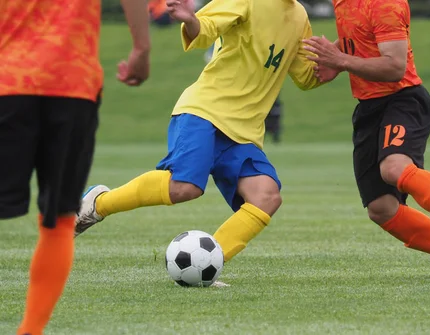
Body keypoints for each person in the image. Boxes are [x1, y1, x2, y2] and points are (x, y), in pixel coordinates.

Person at [74, 0, 322, 282]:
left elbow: (306, 76)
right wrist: (190, 20)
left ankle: (208, 266)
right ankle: (99, 203)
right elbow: (204, 28)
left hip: (244, 131)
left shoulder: (300, 16)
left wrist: (338, 58)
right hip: (206, 110)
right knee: (185, 187)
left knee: (266, 197)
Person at [303, 0, 430, 279]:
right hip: (369, 108)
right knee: (381, 208)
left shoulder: (386, 3)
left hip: (403, 99)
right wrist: (337, 53)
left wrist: (343, 61)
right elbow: (360, 34)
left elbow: (395, 67)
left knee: (393, 168)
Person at [0, 0, 151, 333]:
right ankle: (31, 330)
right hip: (71, 84)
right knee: (59, 218)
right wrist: (141, 48)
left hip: (8, 80)